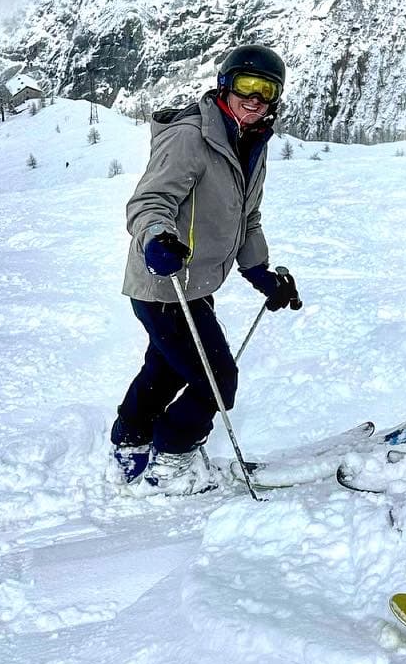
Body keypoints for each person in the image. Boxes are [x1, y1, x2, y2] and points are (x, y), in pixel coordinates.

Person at [111, 44, 302, 494]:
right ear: (224, 85)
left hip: (194, 284)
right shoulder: (191, 137)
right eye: (245, 86)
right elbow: (148, 202)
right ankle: (172, 458)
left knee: (168, 367)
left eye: (266, 90)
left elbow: (246, 218)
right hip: (164, 282)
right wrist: (157, 238)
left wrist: (261, 275)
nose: (254, 99)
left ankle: (132, 439)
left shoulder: (251, 142)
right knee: (218, 380)